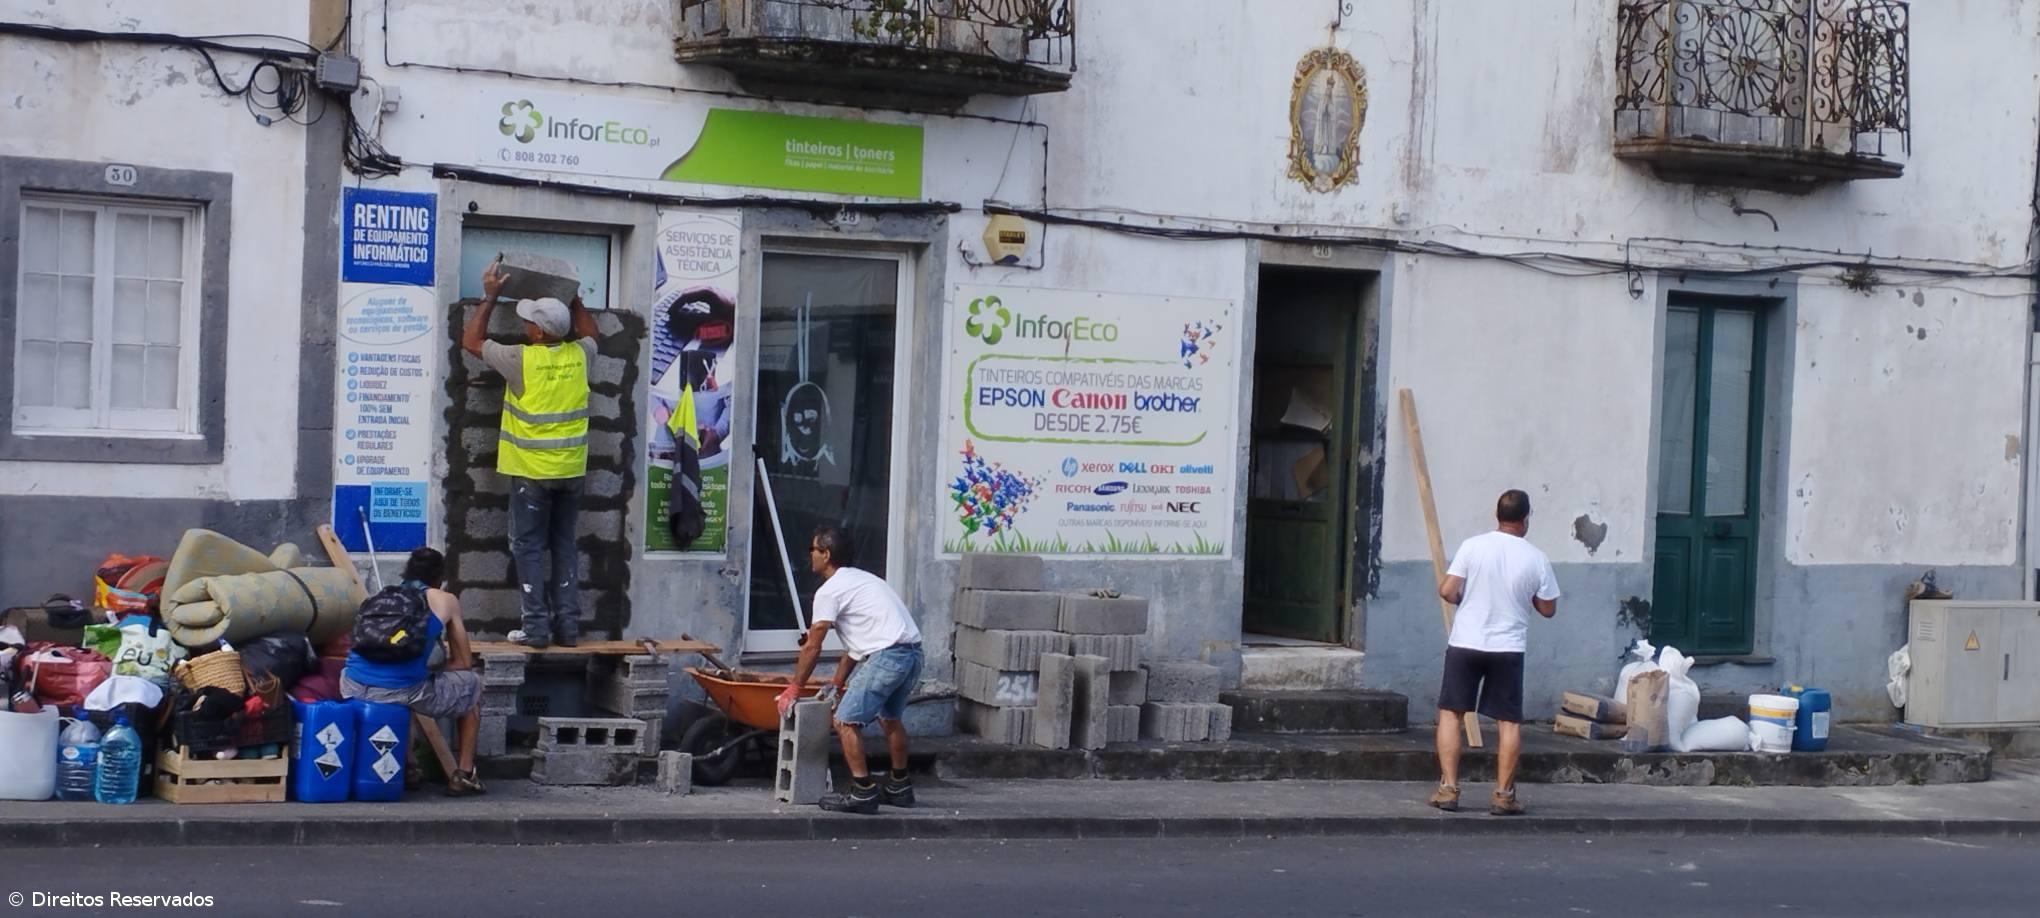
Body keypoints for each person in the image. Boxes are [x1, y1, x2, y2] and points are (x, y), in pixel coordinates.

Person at [462, 260, 601, 649]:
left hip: (533, 475)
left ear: (539, 332)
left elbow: (472, 342)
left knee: (528, 547)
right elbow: (592, 333)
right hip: (571, 472)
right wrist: (573, 300)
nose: (525, 326)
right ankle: (568, 629)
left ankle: (537, 628)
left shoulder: (523, 359)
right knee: (564, 546)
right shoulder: (580, 355)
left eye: (529, 322)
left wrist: (489, 297)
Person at [776, 524, 924, 815]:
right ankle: (899, 786)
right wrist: (837, 682)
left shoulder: (829, 592)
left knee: (845, 722)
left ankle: (863, 792)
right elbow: (855, 647)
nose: (810, 556)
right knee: (889, 718)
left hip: (888, 656)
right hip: (912, 654)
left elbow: (812, 646)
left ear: (826, 554)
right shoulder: (864, 580)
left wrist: (794, 687)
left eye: (813, 550)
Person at [1430, 489, 1560, 816]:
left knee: (1451, 713)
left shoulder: (1473, 546)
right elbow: (1548, 609)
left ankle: (1448, 790)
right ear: (1526, 519)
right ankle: (1503, 795)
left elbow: (1447, 589)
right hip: (1508, 647)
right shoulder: (1536, 558)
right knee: (1508, 722)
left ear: (1497, 515)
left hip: (1465, 642)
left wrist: (1466, 599)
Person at [341, 548, 487, 796]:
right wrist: (435, 667)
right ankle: (465, 774)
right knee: (472, 685)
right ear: (439, 577)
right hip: (401, 689)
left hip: (350, 683)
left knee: (404, 690)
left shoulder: (383, 597)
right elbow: (462, 661)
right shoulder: (444, 599)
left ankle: (408, 767)